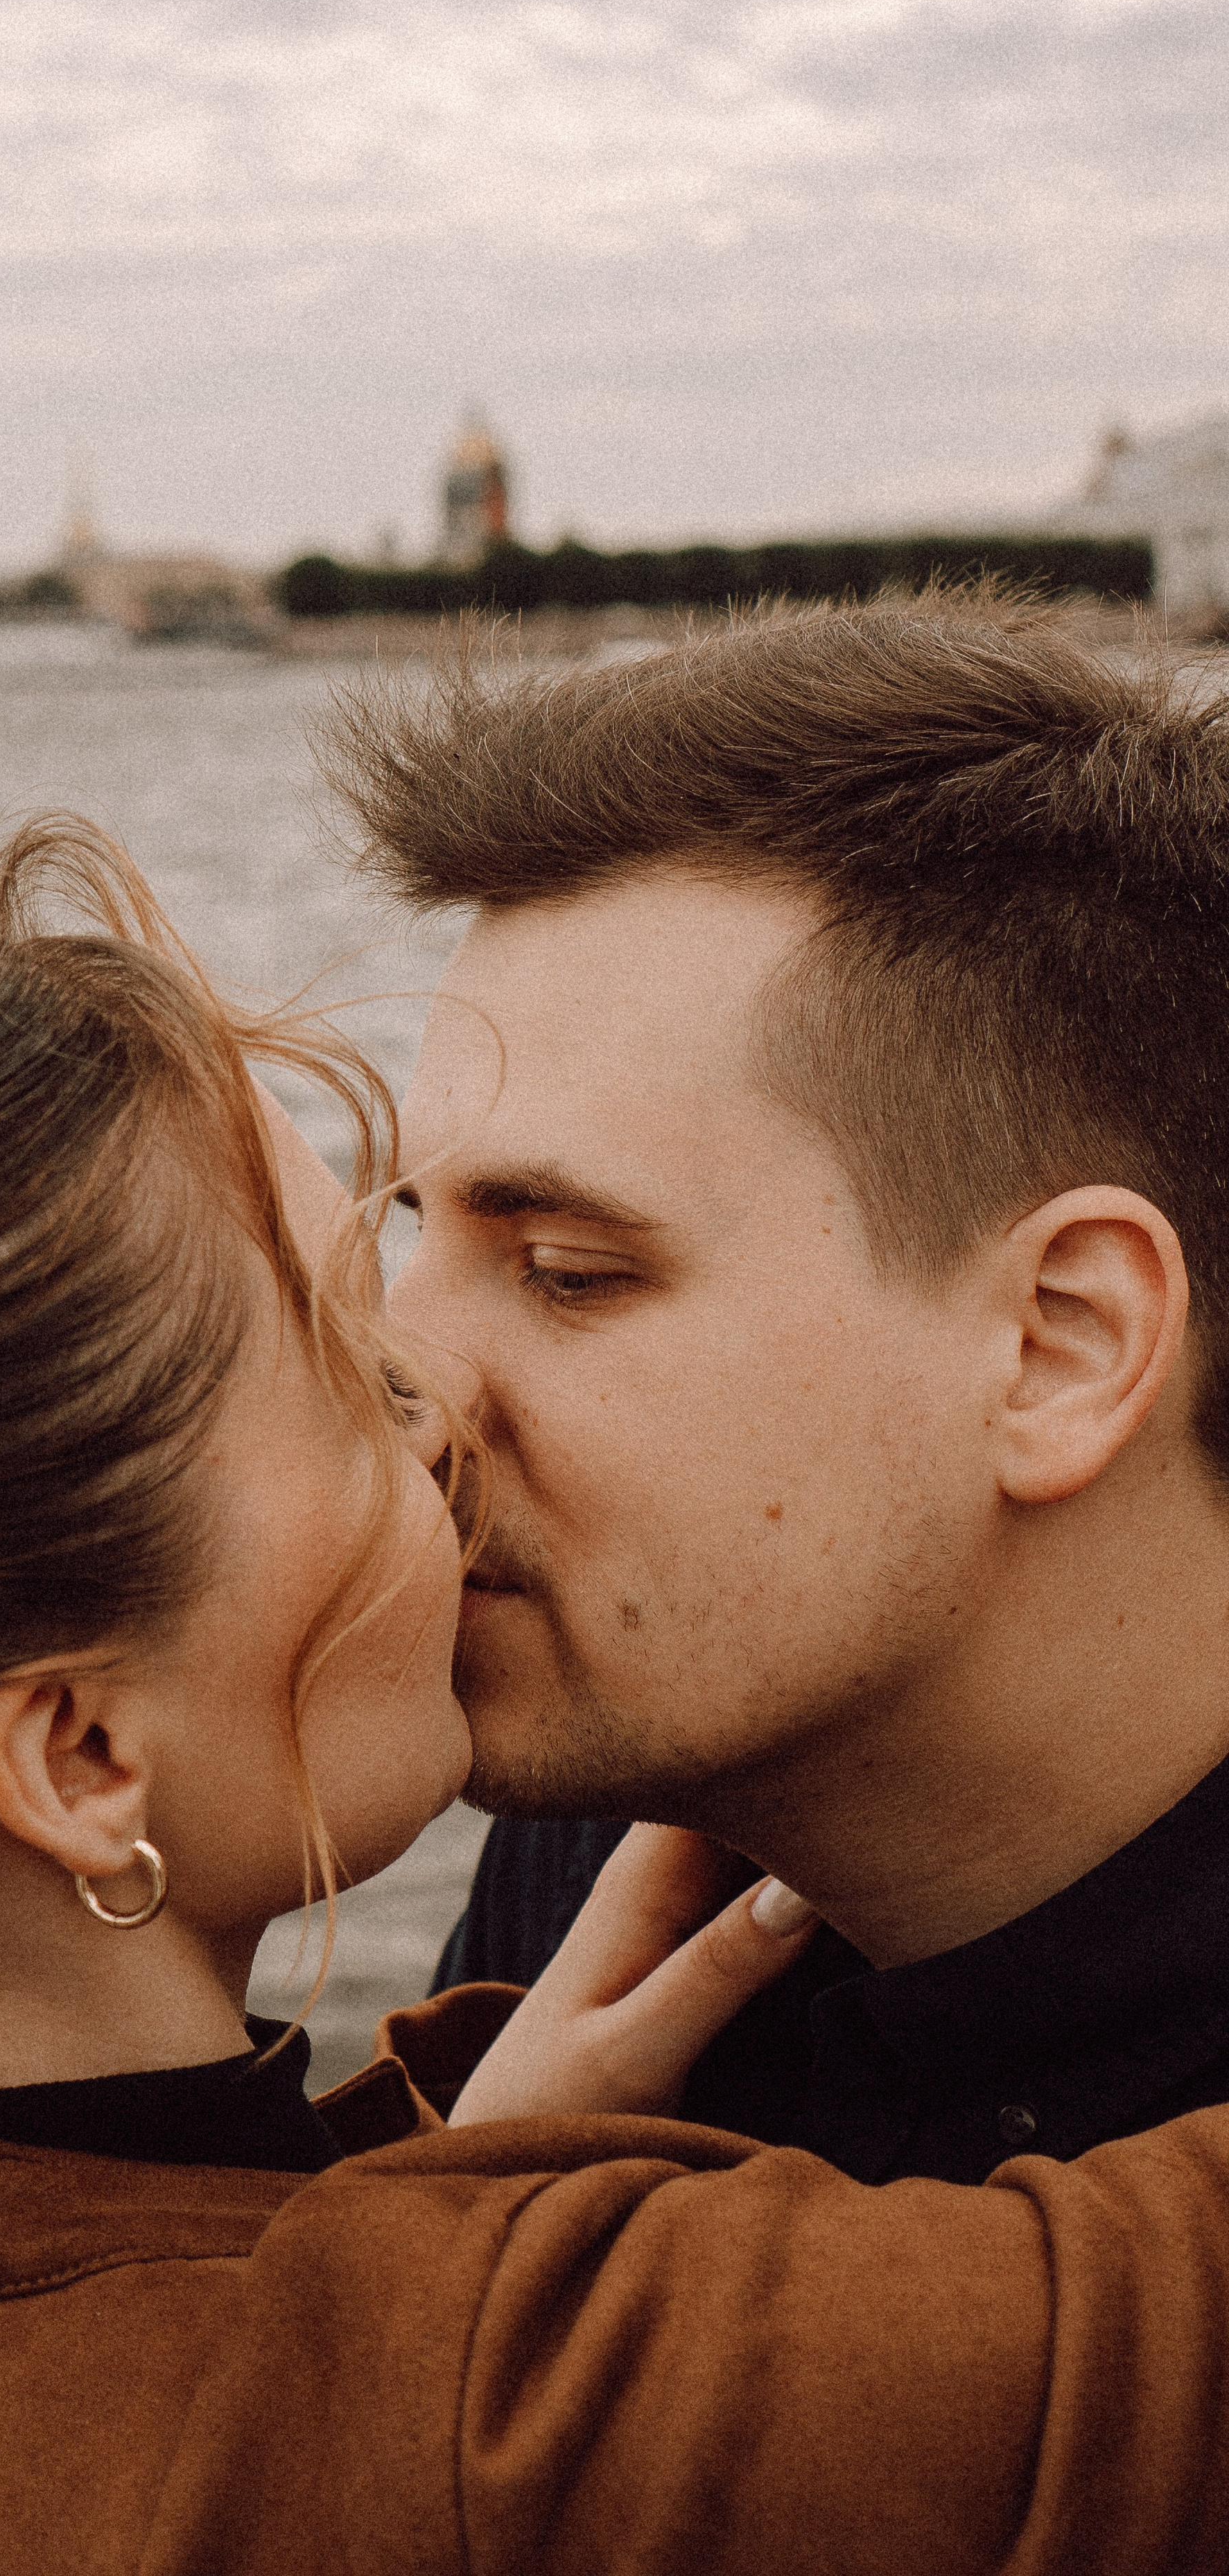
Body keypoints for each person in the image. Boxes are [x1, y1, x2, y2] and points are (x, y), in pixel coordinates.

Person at [0, 797, 1229, 2573]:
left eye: (558, 1273)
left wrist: (416, 2172)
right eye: (342, 1374)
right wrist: (459, 2284)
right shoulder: (508, 2398)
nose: (438, 1395)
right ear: (79, 1755)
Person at [320, 587, 1229, 2184]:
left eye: (566, 1272)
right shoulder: (614, 1830)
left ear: (1057, 1345)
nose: (403, 1382)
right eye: (411, 1239)